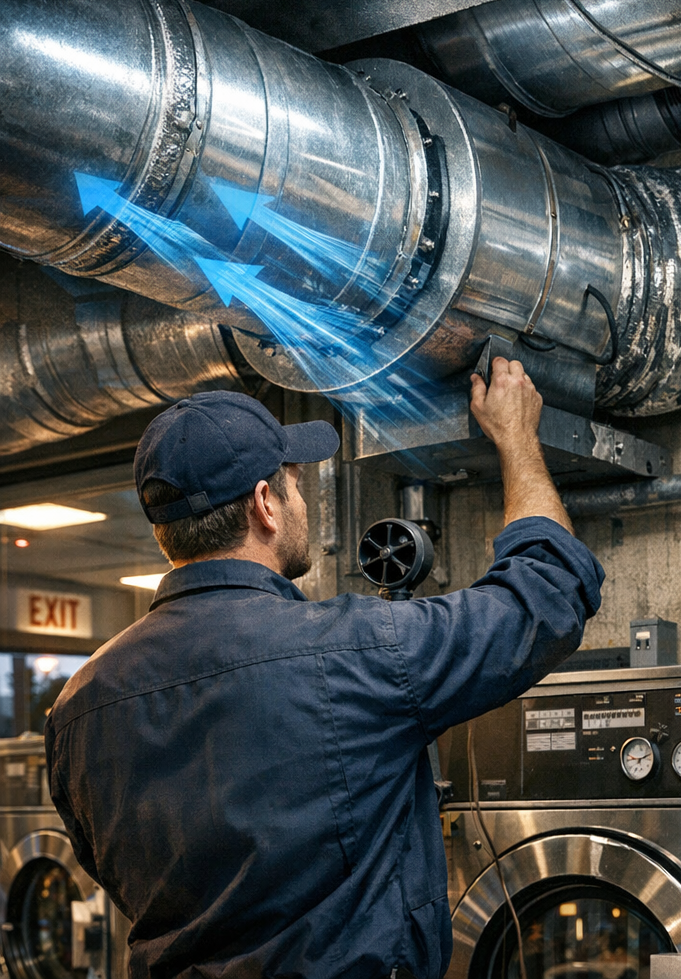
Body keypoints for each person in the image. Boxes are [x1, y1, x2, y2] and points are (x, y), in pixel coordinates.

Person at [45, 357, 604, 979]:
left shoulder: (77, 707)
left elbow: (113, 870)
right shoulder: (358, 651)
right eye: (293, 482)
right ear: (266, 504)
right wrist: (518, 440)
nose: (302, 498)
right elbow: (547, 596)